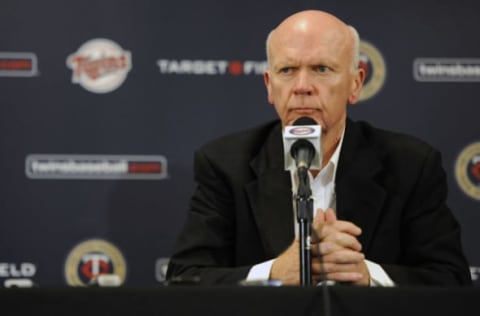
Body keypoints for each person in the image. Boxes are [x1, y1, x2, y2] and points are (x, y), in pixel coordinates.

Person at [166, 9, 472, 286]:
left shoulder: (411, 165)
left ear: (355, 83)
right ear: (270, 86)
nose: (302, 86)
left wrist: (366, 275)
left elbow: (451, 280)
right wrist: (274, 273)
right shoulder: (224, 164)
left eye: (321, 69)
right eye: (287, 71)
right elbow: (185, 278)